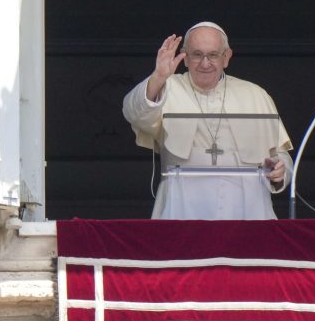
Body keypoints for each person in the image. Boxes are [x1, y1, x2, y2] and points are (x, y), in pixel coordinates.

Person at [123, 21, 293, 219]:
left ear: (226, 57)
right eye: (196, 55)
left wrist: (280, 170)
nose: (205, 63)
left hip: (246, 206)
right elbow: (132, 112)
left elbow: (281, 155)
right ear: (185, 57)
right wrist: (158, 76)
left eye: (213, 55)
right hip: (183, 205)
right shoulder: (166, 87)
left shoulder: (255, 94)